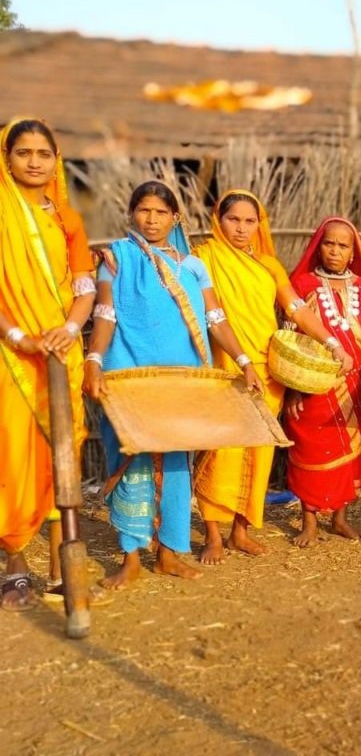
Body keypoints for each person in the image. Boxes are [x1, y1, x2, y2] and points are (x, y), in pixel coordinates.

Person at [84, 180, 261, 589]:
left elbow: (216, 320)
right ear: (132, 214)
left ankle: (169, 553)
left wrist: (244, 360)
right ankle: (130, 556)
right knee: (131, 461)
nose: (152, 219)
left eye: (161, 212)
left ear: (175, 218)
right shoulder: (117, 259)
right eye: (144, 210)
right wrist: (94, 359)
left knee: (178, 463)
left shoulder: (194, 267)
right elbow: (106, 312)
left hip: (182, 380)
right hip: (130, 377)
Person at [193, 190, 353, 564]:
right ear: (219, 219)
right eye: (234, 219)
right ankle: (213, 533)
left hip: (267, 370)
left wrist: (332, 343)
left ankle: (240, 531)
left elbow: (295, 309)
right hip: (225, 366)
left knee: (259, 452)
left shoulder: (268, 265)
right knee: (221, 450)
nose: (242, 228)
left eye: (250, 221)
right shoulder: (202, 258)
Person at [0, 117, 95, 610]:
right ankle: (14, 563)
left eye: (43, 153)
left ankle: (62, 570)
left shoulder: (67, 217)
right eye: (24, 153)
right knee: (14, 457)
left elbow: (84, 283)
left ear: (56, 158)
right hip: (11, 356)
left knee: (62, 455)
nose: (34, 161)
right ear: (7, 157)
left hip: (61, 351)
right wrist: (20, 337)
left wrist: (70, 329)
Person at [284, 217, 361, 546]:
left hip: (355, 384)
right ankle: (308, 521)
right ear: (318, 246)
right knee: (310, 446)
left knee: (351, 450)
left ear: (354, 252)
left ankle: (340, 518)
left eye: (343, 245)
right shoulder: (301, 283)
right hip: (313, 381)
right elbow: (292, 338)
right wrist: (295, 388)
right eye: (329, 243)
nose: (335, 251)